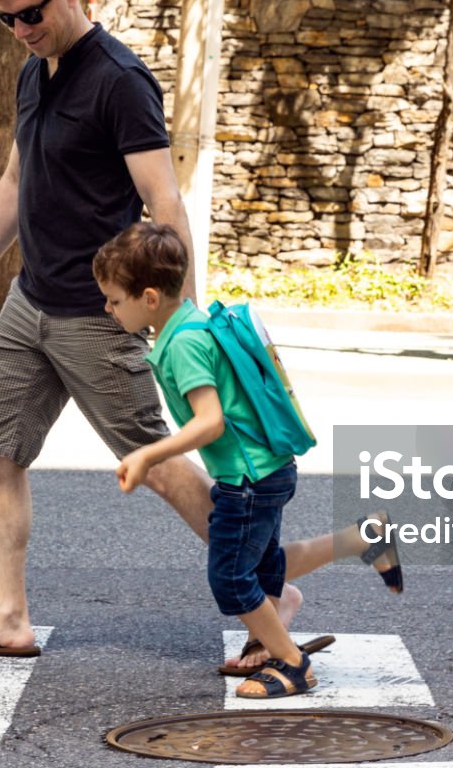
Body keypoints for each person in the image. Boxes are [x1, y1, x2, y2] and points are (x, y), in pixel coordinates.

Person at [0, 0, 387, 673]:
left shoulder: (120, 80)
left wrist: (184, 317)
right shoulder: (34, 73)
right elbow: (16, 179)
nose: (21, 30)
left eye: (32, 14)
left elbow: (164, 200)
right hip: (30, 299)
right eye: (7, 19)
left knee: (165, 466)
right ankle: (8, 615)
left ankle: (272, 595)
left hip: (100, 310)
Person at [96, 222, 318, 697]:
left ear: (149, 298)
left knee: (230, 578)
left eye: (114, 300)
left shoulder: (183, 345)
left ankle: (292, 664)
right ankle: (271, 642)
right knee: (262, 566)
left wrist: (148, 453)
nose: (108, 309)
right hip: (268, 469)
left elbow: (210, 422)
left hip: (248, 479)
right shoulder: (194, 323)